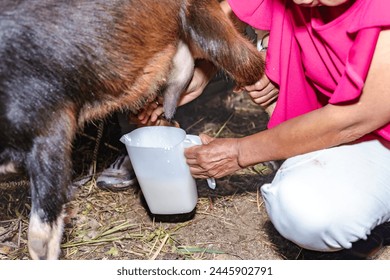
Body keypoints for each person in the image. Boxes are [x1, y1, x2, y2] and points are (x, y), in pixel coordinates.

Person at [182, 0, 390, 259]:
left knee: (308, 211)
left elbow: (352, 119)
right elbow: (221, 18)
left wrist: (238, 153)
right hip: (350, 127)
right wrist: (201, 71)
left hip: (365, 128)